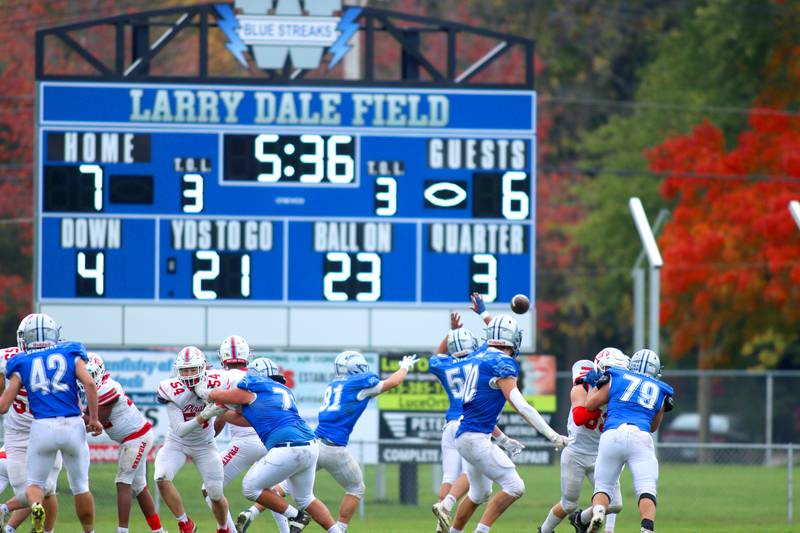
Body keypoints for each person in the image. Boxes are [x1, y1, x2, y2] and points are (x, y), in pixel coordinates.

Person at [449, 314, 570, 533]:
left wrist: (485, 314)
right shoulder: (503, 363)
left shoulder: (480, 354)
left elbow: (496, 339)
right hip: (476, 438)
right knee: (515, 487)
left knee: (479, 494)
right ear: (511, 339)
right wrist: (552, 435)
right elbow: (520, 406)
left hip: (464, 436)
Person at [197, 357, 341, 533]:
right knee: (306, 498)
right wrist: (218, 411)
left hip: (288, 446)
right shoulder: (283, 390)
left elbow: (221, 395)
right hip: (310, 445)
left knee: (250, 488)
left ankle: (296, 516)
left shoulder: (254, 388)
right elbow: (243, 420)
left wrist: (205, 393)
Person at [0, 313, 102, 533]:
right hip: (72, 424)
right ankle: (89, 531)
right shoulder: (69, 351)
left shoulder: (20, 361)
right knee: (80, 487)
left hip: (41, 427)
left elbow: (3, 405)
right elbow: (90, 385)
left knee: (35, 486)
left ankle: (36, 507)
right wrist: (93, 418)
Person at [573, 349, 674, 533]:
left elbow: (589, 405)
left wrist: (595, 384)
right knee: (647, 487)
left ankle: (598, 513)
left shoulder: (616, 375)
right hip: (641, 437)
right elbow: (653, 427)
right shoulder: (661, 389)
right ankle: (647, 528)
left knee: (603, 486)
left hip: (612, 433)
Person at [538, 348, 628, 533]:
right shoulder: (582, 386)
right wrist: (602, 400)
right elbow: (579, 417)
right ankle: (544, 531)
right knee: (568, 504)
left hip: (601, 454)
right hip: (576, 453)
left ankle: (582, 519)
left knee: (616, 504)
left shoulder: (620, 393)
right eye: (612, 371)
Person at [154, 346, 232, 533]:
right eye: (184, 370)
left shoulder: (218, 380)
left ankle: (223, 528)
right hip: (177, 443)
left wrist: (213, 398)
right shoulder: (170, 388)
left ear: (203, 367)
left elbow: (230, 403)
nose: (188, 374)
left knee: (215, 493)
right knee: (161, 477)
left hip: (205, 445)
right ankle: (185, 524)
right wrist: (204, 415)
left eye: (192, 369)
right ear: (177, 370)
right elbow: (180, 430)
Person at [85, 353, 165, 533]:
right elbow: (93, 420)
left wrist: (70, 416)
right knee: (139, 486)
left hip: (137, 437)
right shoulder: (97, 389)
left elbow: (96, 418)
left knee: (123, 482)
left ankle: (122, 530)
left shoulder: (108, 387)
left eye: (91, 374)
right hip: (132, 438)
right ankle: (158, 530)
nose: (87, 379)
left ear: (99, 372)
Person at [204, 335, 267, 533]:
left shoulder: (224, 379)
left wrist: (205, 438)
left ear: (223, 357)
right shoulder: (258, 376)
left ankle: (229, 530)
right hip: (268, 440)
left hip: (245, 442)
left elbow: (221, 416)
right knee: (269, 492)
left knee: (208, 489)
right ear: (247, 355)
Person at [0, 342, 61, 533]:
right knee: (45, 489)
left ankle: (8, 521)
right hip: (45, 431)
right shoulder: (57, 359)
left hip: (13, 441)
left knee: (30, 491)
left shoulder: (8, 357)